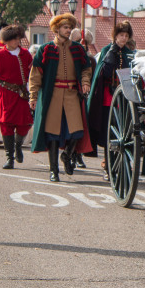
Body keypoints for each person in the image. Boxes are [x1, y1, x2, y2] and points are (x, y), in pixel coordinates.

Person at [29, 13, 92, 182]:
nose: (69, 30)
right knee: (52, 135)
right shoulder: (46, 49)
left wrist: (85, 82)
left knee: (77, 132)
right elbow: (35, 75)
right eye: (65, 27)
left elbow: (86, 68)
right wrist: (33, 96)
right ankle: (53, 171)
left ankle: (67, 155)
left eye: (70, 27)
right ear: (56, 29)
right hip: (53, 96)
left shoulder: (78, 49)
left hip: (72, 95)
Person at [88, 21, 134, 179]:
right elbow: (104, 73)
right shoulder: (108, 50)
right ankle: (108, 165)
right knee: (108, 132)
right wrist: (111, 55)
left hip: (124, 97)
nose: (124, 38)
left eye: (126, 36)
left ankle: (120, 164)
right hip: (108, 96)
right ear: (115, 36)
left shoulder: (128, 52)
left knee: (121, 132)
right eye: (121, 35)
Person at [0, 24, 33, 168]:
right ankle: (9, 157)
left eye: (19, 38)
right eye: (15, 38)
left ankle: (18, 145)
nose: (18, 41)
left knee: (24, 124)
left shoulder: (26, 54)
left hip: (21, 94)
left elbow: (32, 75)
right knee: (5, 124)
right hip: (5, 93)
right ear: (7, 40)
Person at [70, 28, 96, 168]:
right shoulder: (69, 57)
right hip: (69, 95)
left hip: (84, 97)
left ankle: (78, 154)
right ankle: (71, 154)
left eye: (85, 42)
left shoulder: (90, 60)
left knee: (81, 128)